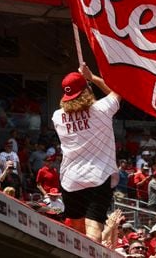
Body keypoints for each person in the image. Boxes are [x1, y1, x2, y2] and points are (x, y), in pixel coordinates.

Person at [52, 63, 121, 242]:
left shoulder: (57, 117)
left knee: (76, 230)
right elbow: (117, 91)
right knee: (93, 230)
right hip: (98, 176)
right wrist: (92, 77)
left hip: (71, 179)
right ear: (86, 90)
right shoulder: (102, 110)